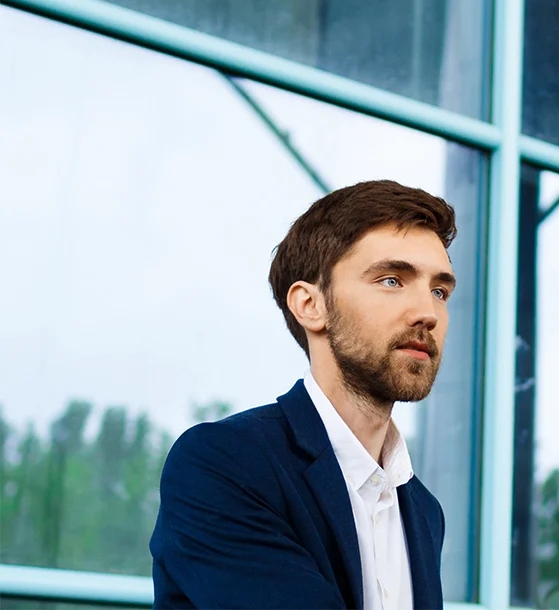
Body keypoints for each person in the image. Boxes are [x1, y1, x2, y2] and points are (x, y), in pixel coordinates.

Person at [150, 180, 459, 609]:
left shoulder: (423, 511)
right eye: (392, 280)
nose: (428, 313)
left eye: (439, 291)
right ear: (311, 305)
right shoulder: (224, 465)